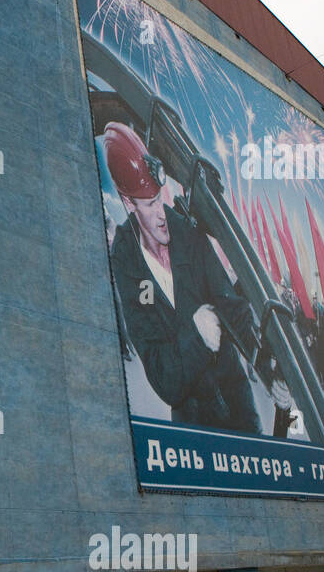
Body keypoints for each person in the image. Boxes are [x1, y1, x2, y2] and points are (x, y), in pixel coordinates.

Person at [103, 122, 262, 434]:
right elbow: (165, 379)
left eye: (159, 198)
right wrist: (197, 335)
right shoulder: (126, 261)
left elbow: (229, 301)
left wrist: (267, 362)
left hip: (240, 412)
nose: (161, 213)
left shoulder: (187, 232)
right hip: (195, 431)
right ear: (127, 203)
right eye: (149, 204)